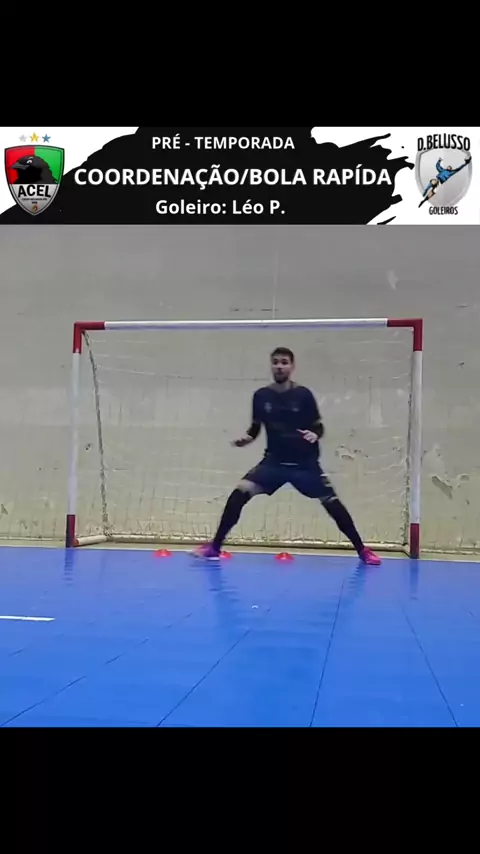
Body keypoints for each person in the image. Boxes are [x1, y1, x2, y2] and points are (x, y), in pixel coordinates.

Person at [193, 347, 381, 565]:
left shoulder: (303, 395)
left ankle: (363, 551)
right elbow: (255, 428)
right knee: (239, 494)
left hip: (305, 465)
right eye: (276, 362)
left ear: (292, 366)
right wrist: (247, 438)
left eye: (284, 362)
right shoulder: (261, 396)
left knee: (332, 504)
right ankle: (215, 548)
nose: (279, 366)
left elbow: (318, 426)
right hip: (274, 463)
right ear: (271, 365)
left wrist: (314, 434)